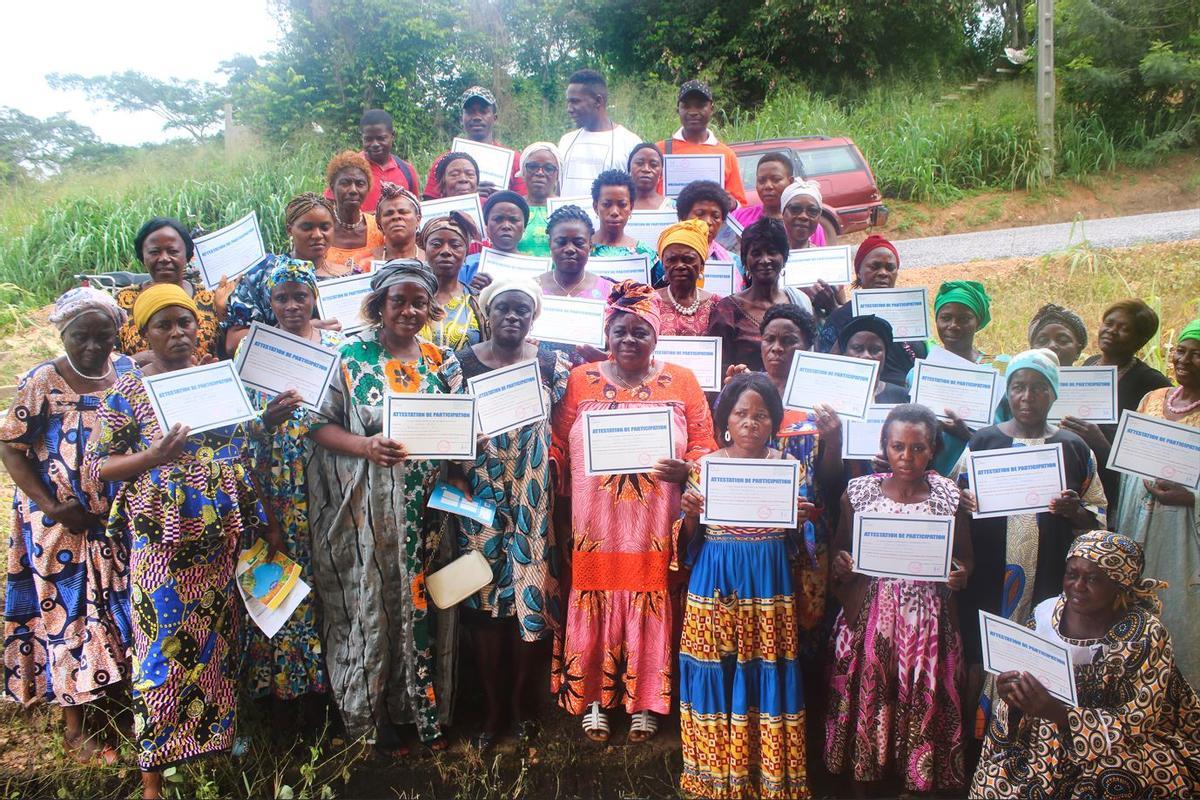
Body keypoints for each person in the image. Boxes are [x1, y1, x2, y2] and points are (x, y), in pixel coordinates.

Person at [86, 284, 292, 798]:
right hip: (163, 539)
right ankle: (153, 773)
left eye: (185, 323)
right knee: (160, 649)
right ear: (144, 333)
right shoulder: (128, 393)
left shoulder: (215, 381)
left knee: (218, 644)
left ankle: (214, 744)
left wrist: (266, 421)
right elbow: (98, 467)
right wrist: (151, 457)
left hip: (218, 537)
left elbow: (239, 444)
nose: (177, 333)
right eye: (164, 325)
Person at [307, 261, 462, 755]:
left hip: (427, 512)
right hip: (367, 510)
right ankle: (373, 721)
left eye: (420, 302)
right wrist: (365, 446)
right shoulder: (349, 356)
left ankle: (424, 714)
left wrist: (461, 442)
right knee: (370, 603)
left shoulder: (443, 360)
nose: (410, 311)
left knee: (423, 604)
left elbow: (459, 429)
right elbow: (317, 425)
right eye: (400, 300)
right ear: (379, 304)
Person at [550, 281, 716, 743]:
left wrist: (689, 468)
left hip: (655, 522)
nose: (629, 340)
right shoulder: (581, 378)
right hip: (594, 522)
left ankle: (646, 699)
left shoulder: (681, 380)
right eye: (620, 330)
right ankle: (594, 698)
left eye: (640, 331)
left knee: (651, 595)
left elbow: (705, 443)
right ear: (607, 333)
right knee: (594, 592)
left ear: (656, 336)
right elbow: (558, 444)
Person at [1, 288, 136, 765]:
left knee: (118, 610)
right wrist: (54, 507)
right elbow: (12, 449)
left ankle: (116, 703)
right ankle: (75, 728)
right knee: (67, 614)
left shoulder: (128, 374)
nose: (94, 346)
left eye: (104, 336)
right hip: (59, 525)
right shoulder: (41, 381)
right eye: (82, 336)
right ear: (63, 333)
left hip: (115, 521)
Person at [970, 531, 1200, 798]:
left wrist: (1062, 715)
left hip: (1116, 740)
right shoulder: (1046, 614)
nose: (1078, 586)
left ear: (1120, 584)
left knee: (1117, 778)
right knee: (1000, 778)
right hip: (1042, 727)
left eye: (1093, 579)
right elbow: (1023, 672)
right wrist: (1012, 693)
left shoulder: (1145, 634)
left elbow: (1139, 718)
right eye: (1072, 574)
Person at [826, 404, 973, 795]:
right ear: (884, 447)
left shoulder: (947, 495)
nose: (907, 457)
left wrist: (960, 574)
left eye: (918, 448)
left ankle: (915, 776)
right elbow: (839, 551)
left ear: (934, 449)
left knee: (919, 693)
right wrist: (841, 563)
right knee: (874, 693)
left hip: (927, 619)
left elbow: (964, 557)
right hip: (871, 615)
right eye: (898, 447)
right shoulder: (860, 492)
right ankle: (866, 773)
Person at [676, 373, 810, 798]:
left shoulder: (790, 468)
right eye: (741, 414)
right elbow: (689, 540)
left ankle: (766, 777)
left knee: (763, 664)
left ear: (774, 422)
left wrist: (800, 522)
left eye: (762, 415)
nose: (751, 423)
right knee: (718, 666)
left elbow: (798, 545)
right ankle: (713, 778)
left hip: (768, 582)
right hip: (716, 578)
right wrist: (692, 514)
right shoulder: (705, 466)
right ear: (726, 420)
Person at [957, 349, 1108, 725]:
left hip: (1050, 576)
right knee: (984, 650)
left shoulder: (1073, 447)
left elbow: (1100, 517)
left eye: (1039, 388)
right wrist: (962, 499)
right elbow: (951, 497)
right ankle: (982, 740)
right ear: (1007, 392)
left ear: (1054, 394)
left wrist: (1076, 511)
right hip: (988, 574)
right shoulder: (984, 442)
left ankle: (1032, 737)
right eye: (1018, 387)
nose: (1027, 397)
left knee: (1039, 648)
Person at [454, 278, 570, 751]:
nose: (513, 317)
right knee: (484, 602)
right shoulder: (458, 365)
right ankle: (493, 708)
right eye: (503, 308)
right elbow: (445, 429)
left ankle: (523, 705)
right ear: (487, 313)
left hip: (533, 496)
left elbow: (563, 426)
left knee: (531, 600)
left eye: (523, 310)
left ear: (534, 316)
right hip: (479, 496)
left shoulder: (550, 365)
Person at [238, 259, 337, 715]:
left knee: (327, 579)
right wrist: (264, 422)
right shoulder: (253, 353)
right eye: (282, 297)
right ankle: (282, 694)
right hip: (276, 487)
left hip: (330, 481)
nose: (293, 305)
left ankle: (328, 688)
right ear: (269, 302)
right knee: (283, 581)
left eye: (301, 295)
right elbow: (237, 433)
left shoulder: (336, 346)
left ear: (315, 296)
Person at [1113, 319, 1200, 683]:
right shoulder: (1153, 399)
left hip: (1181, 538)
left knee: (1178, 613)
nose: (1184, 359)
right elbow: (1128, 465)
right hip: (1137, 522)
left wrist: (1191, 496)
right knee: (1127, 611)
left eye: (1197, 355)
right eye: (1181, 350)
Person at [1075, 299, 1173, 516]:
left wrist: (1099, 441)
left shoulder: (1151, 383)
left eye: (1124, 328)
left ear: (1141, 340)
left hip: (1116, 489)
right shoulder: (1089, 364)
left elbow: (1156, 454)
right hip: (1081, 475)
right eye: (1109, 323)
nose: (1111, 331)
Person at [221, 193, 343, 354]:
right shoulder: (260, 274)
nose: (317, 235)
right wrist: (302, 331)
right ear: (289, 229)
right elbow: (233, 343)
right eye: (307, 228)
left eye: (324, 227)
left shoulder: (348, 276)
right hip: (276, 368)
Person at [707, 217, 812, 377]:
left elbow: (808, 357)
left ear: (784, 258)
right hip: (743, 396)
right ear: (745, 261)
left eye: (772, 252)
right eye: (756, 253)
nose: (764, 260)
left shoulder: (799, 301)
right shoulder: (727, 310)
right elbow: (717, 371)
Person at [816, 235, 928, 385]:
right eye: (874, 267)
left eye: (890, 268)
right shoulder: (841, 317)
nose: (883, 273)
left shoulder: (910, 314)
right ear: (859, 273)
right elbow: (824, 368)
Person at [115, 217, 220, 361]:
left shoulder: (211, 298)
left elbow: (227, 351)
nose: (164, 258)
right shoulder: (122, 301)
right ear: (142, 256)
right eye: (154, 252)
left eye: (172, 251)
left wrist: (223, 313)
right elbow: (107, 360)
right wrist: (135, 361)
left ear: (187, 255)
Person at [921, 280, 997, 477]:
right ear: (936, 320)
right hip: (931, 480)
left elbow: (1007, 434)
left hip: (982, 476)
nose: (953, 326)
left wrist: (968, 436)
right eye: (946, 317)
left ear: (977, 322)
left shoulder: (997, 370)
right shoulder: (919, 374)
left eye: (964, 319)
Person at [535, 205, 615, 368]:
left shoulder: (611, 292)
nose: (570, 249)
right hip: (543, 383)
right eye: (561, 242)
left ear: (590, 246)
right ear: (550, 244)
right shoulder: (531, 289)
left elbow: (622, 347)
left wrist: (608, 357)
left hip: (592, 382)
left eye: (578, 243)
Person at [654, 80, 747, 206]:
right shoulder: (659, 150)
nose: (693, 112)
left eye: (700, 105)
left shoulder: (726, 154)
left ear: (711, 109)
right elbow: (645, 198)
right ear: (678, 110)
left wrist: (732, 204)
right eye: (686, 106)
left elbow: (741, 204)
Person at [422, 86, 524, 200]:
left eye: (483, 111)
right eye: (470, 112)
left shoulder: (514, 161)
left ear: (495, 118)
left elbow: (524, 203)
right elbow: (430, 206)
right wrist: (466, 194)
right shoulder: (443, 162)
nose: (477, 117)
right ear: (461, 119)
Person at [556, 69, 643, 196]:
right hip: (568, 216)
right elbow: (558, 189)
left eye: (575, 101)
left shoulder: (630, 142)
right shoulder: (566, 141)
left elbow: (636, 194)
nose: (569, 109)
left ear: (598, 101)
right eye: (568, 102)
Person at [652, 180, 741, 288]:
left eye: (715, 216)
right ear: (683, 218)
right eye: (699, 214)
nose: (708, 221)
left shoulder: (735, 262)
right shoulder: (666, 261)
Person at [418, 212, 486, 350]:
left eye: (455, 245)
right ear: (425, 249)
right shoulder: (409, 299)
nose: (446, 251)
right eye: (436, 244)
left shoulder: (478, 301)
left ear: (466, 252)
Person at [332, 109, 420, 211]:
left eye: (381, 138)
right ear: (362, 138)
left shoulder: (407, 171)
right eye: (369, 139)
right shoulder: (349, 169)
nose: (375, 144)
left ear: (392, 136)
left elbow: (414, 209)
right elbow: (330, 207)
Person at [732, 153, 827, 247]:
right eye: (761, 181)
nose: (768, 186)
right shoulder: (739, 217)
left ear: (790, 182)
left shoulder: (808, 225)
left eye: (776, 179)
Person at [589, 168, 661, 274]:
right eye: (607, 204)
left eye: (622, 205)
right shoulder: (579, 250)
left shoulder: (646, 255)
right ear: (596, 207)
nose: (614, 212)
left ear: (631, 207)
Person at [653, 219, 718, 336]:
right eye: (672, 260)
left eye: (688, 259)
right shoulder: (649, 303)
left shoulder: (717, 305)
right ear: (663, 264)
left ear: (702, 264)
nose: (680, 265)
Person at [324, 150, 385, 275]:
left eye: (360, 184)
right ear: (332, 187)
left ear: (368, 188)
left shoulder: (380, 228)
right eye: (345, 183)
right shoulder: (321, 229)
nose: (353, 190)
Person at [459, 190, 529, 286]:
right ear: (486, 225)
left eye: (514, 220)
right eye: (498, 219)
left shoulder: (536, 268)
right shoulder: (468, 265)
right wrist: (471, 292)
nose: (506, 226)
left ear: (524, 227)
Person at [837, 315, 910, 403]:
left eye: (875, 350)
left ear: (885, 355)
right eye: (857, 348)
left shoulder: (903, 398)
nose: (866, 356)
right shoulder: (828, 395)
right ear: (844, 354)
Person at [516, 142, 562, 257]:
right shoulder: (513, 207)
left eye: (549, 168)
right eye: (532, 167)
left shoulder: (566, 209)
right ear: (523, 171)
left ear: (557, 174)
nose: (540, 173)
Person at [369, 182, 424, 265]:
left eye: (403, 212)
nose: (396, 217)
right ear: (379, 224)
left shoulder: (431, 260)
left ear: (418, 220)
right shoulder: (365, 262)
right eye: (388, 214)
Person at [1027, 303, 1088, 367]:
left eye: (1063, 340)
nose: (1052, 346)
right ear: (1032, 350)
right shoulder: (1018, 376)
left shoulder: (1093, 376)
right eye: (1043, 340)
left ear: (1078, 351)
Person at [628, 142, 668, 210]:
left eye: (653, 165)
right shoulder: (618, 206)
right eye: (639, 163)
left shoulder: (673, 208)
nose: (646, 169)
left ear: (661, 172)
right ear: (629, 168)